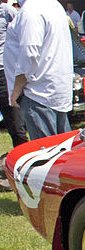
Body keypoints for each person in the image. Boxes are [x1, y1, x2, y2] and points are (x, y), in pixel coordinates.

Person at [5, 0, 73, 139]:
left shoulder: (31, 10)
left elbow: (29, 53)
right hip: (53, 90)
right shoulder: (53, 5)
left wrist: (16, 90)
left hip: (37, 93)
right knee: (61, 153)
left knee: (45, 155)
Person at [0, 0, 27, 148]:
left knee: (13, 119)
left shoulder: (7, 11)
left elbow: (22, 33)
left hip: (3, 71)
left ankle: (21, 153)